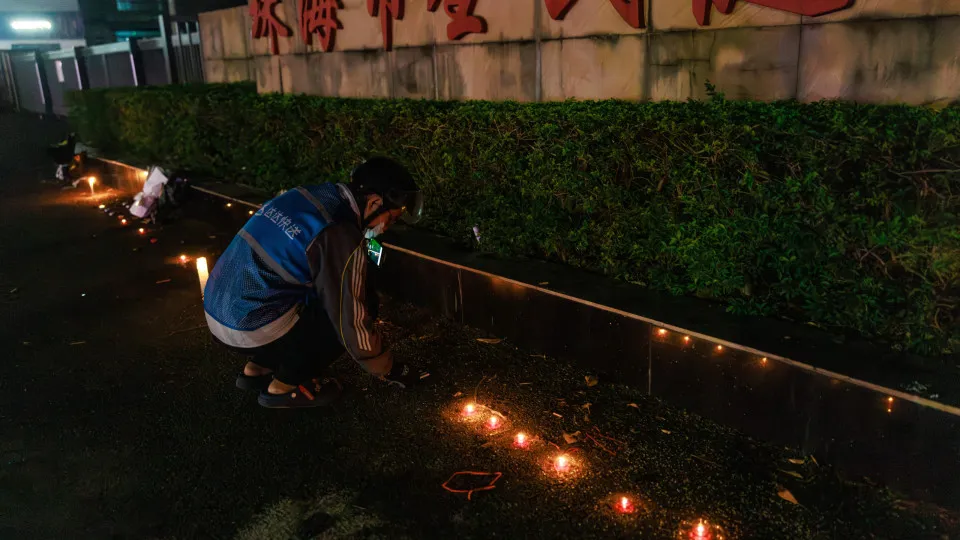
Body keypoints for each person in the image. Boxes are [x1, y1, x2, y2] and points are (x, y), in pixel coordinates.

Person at [203, 157, 424, 408]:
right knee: (355, 303)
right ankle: (285, 386)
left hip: (219, 309)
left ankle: (258, 367)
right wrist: (386, 366)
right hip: (249, 325)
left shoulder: (308, 195)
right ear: (374, 202)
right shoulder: (338, 232)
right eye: (391, 219)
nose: (385, 228)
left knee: (301, 290)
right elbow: (349, 316)